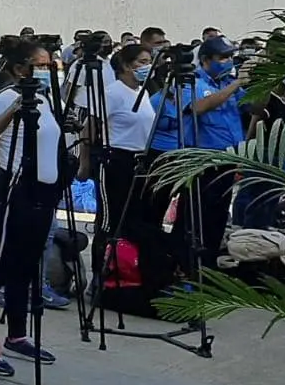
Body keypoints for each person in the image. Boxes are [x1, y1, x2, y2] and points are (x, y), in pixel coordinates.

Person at [0, 40, 66, 369]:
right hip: (15, 190)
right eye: (40, 65)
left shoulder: (46, 99)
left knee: (26, 267)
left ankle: (17, 335)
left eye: (50, 64)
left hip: (44, 193)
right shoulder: (6, 99)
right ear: (18, 69)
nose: (47, 70)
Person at [147, 35, 247, 274]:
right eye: (223, 57)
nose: (228, 61)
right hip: (203, 159)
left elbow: (254, 107)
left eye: (230, 57)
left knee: (218, 215)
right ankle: (187, 265)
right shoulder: (192, 82)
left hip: (228, 158)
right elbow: (198, 107)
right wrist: (236, 84)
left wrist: (261, 83)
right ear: (205, 60)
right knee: (197, 216)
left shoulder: (227, 83)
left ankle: (208, 265)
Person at [94, 44, 157, 281]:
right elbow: (92, 125)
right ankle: (101, 272)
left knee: (134, 218)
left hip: (139, 161)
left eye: (149, 62)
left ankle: (127, 269)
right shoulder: (113, 93)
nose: (147, 67)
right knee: (111, 220)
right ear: (127, 66)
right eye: (142, 62)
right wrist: (86, 162)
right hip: (116, 159)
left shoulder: (143, 92)